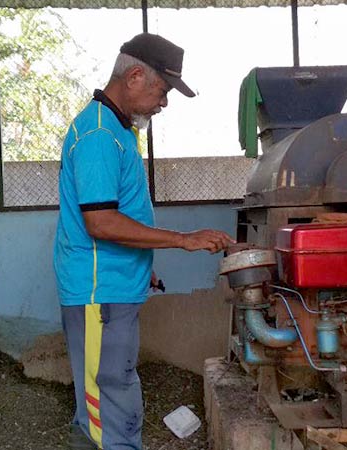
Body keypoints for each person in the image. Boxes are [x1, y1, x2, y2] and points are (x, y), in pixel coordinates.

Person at [53, 33, 235, 450]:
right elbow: (99, 222)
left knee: (114, 387)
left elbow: (122, 215)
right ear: (135, 76)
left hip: (115, 285)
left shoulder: (118, 130)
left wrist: (141, 265)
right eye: (164, 90)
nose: (165, 102)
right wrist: (182, 239)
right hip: (99, 292)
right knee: (105, 400)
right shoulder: (99, 134)